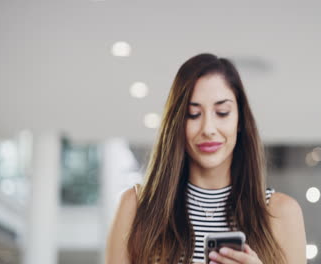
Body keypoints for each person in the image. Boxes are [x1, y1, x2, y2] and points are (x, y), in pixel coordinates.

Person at [106, 53, 306, 264]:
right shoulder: (135, 206)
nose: (208, 129)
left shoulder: (281, 212)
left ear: (240, 121)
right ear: (177, 124)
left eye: (222, 112)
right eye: (193, 114)